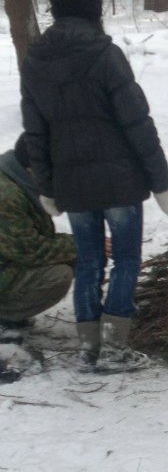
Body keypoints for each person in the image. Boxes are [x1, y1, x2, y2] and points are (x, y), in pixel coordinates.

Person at [20, 0, 168, 374]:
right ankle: (114, 346)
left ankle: (89, 346)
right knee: (125, 259)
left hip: (74, 187)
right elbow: (136, 121)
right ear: (92, 11)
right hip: (119, 182)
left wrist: (49, 187)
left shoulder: (34, 61)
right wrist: (160, 181)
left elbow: (36, 132)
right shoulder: (105, 55)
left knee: (89, 263)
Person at [0, 133, 77, 382]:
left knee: (66, 257)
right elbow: (29, 250)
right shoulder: (8, 195)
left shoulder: (16, 181)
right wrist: (84, 245)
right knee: (57, 275)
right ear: (32, 168)